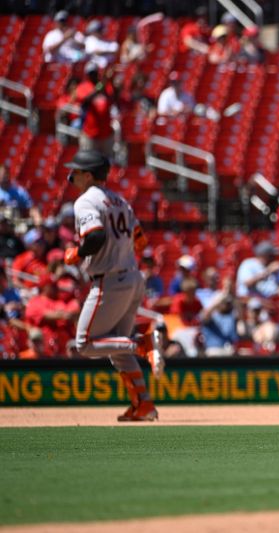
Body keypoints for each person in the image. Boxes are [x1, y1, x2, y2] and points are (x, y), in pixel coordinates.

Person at [62, 149, 165, 421]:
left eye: (76, 172)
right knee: (115, 349)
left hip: (110, 280)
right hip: (132, 277)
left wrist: (79, 252)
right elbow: (140, 240)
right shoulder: (120, 201)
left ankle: (142, 344)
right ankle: (143, 405)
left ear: (87, 175)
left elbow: (94, 237)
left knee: (84, 344)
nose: (72, 175)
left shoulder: (85, 202)